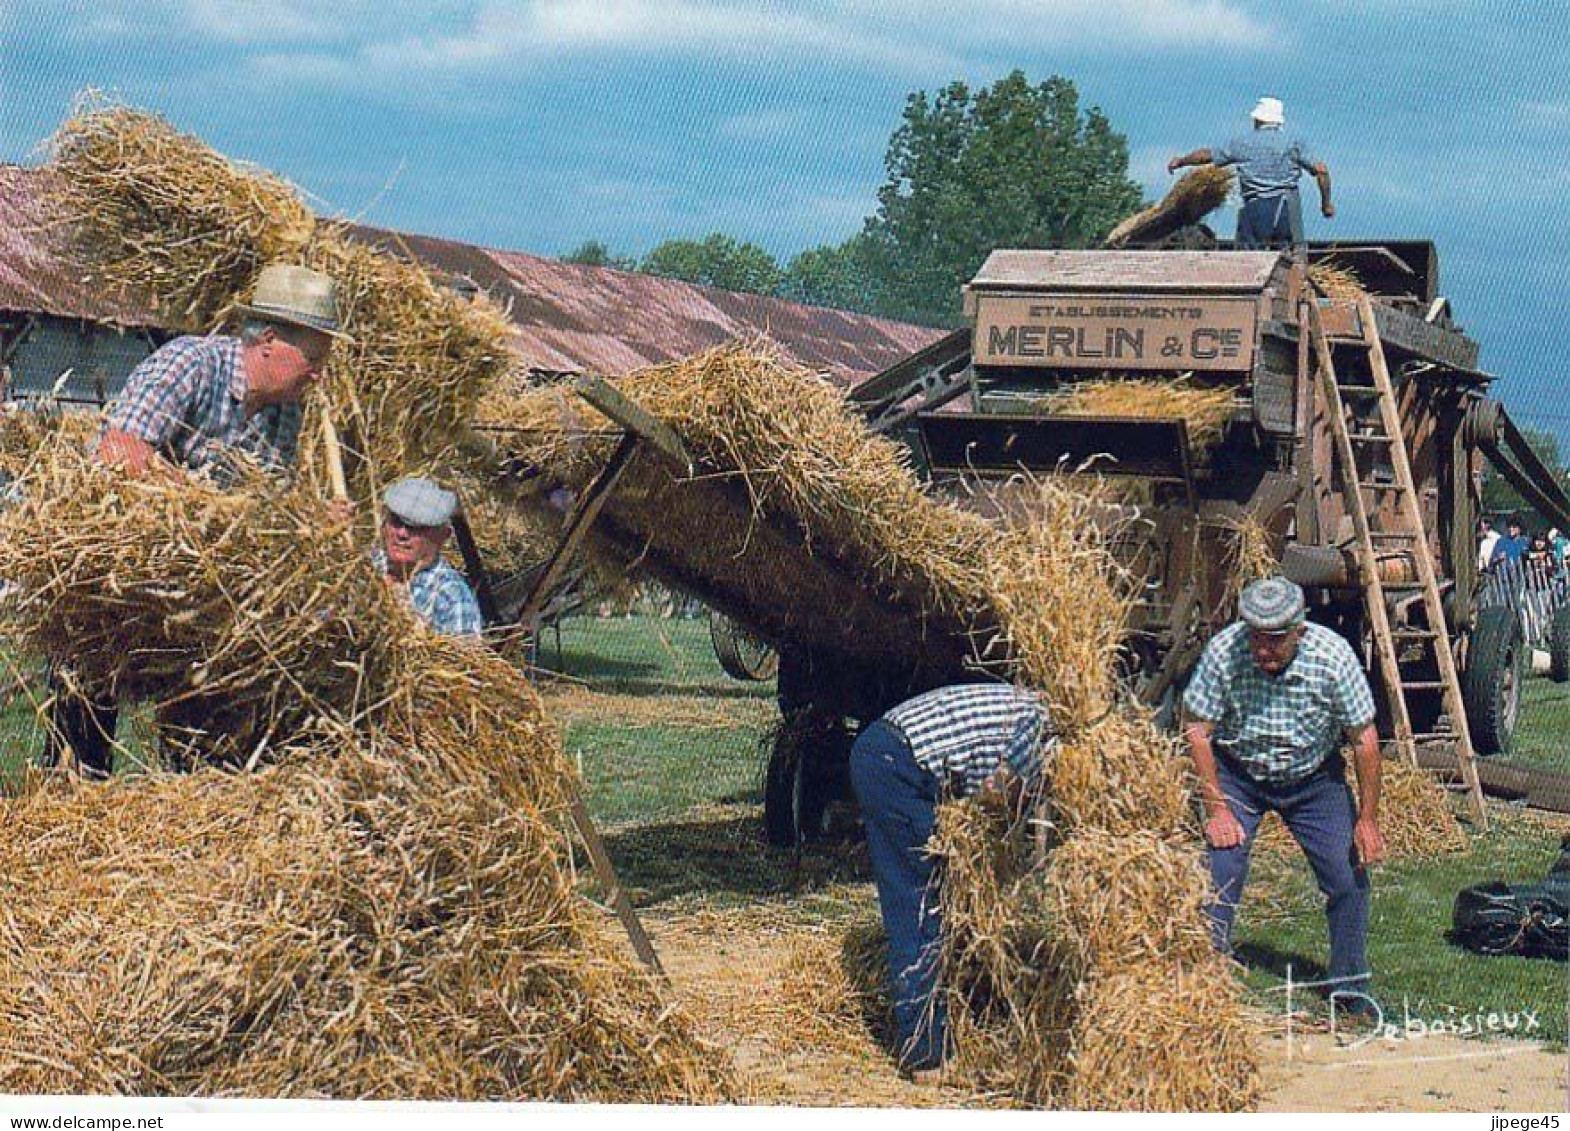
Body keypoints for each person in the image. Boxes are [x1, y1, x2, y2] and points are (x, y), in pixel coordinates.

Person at [43, 263, 349, 779]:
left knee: (199, 762)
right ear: (270, 341)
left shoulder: (284, 416)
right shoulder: (191, 364)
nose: (319, 373)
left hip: (199, 607)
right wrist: (211, 505)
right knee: (81, 743)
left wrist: (311, 524)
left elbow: (265, 519)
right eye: (313, 358)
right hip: (118, 584)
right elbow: (120, 451)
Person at [1182, 576, 1384, 1019]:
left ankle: (1349, 990)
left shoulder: (1333, 657)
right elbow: (1196, 727)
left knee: (1347, 877)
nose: (1263, 650)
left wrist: (1366, 820)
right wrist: (1216, 807)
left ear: (1300, 630)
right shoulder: (1223, 652)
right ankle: (1206, 983)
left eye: (1275, 640)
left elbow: (1365, 740)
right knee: (1221, 867)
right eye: (1256, 638)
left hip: (1313, 779)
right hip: (1239, 773)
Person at [847, 682, 1055, 1078]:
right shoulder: (1036, 729)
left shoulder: (1025, 708)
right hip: (895, 765)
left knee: (938, 895)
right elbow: (998, 791)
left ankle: (949, 1020)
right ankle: (926, 1055)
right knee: (920, 902)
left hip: (892, 752)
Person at [1167, 96, 1333, 250]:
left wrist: (1181, 161)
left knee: (1250, 260)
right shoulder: (1293, 144)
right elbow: (1322, 170)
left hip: (1255, 208)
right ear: (1278, 121)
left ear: (1257, 119)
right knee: (1290, 259)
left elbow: (1207, 155)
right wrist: (1326, 204)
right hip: (1287, 210)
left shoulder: (1243, 143)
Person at [374, 476, 483, 637]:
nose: (402, 534)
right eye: (396, 522)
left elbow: (461, 658)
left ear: (442, 536)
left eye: (416, 528)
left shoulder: (451, 597)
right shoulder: (370, 565)